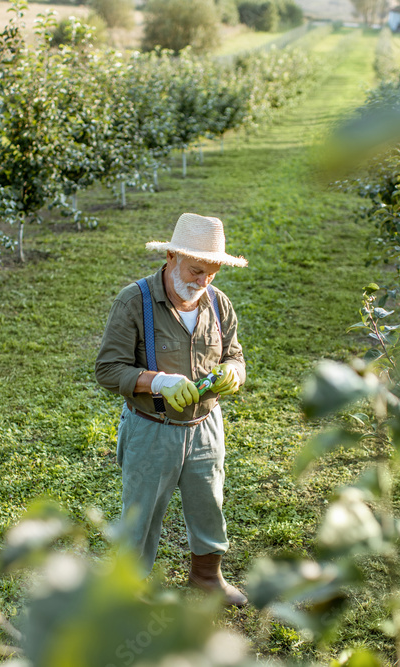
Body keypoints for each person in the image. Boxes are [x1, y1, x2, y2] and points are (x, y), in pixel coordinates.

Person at [95, 212, 248, 607]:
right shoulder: (135, 301)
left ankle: (206, 578)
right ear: (171, 256)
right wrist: (158, 381)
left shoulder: (218, 303)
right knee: (141, 514)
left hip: (205, 426)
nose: (202, 282)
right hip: (152, 426)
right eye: (196, 271)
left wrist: (233, 371)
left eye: (211, 274)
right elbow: (108, 370)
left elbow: (235, 354)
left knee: (208, 504)